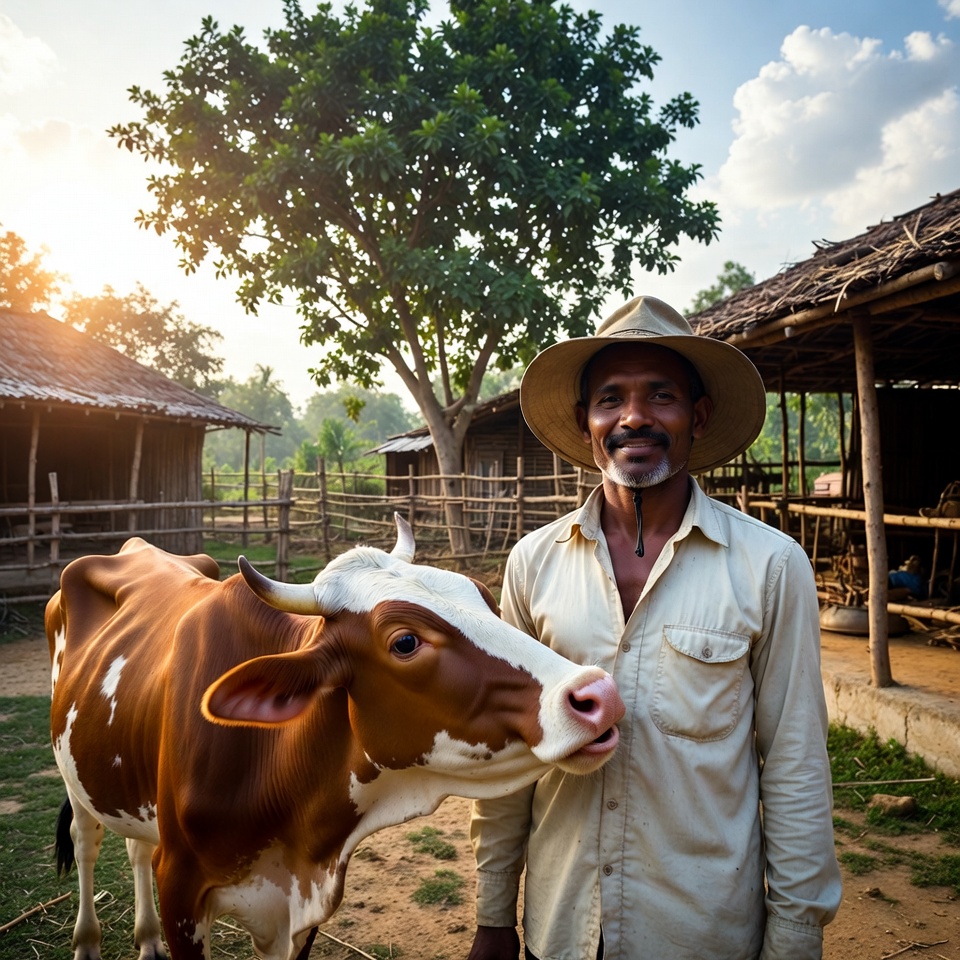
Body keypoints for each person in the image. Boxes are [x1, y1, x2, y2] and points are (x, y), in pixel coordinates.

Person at [467, 296, 842, 960]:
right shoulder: (532, 565)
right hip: (562, 925)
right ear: (587, 422)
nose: (633, 416)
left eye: (660, 395)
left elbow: (794, 763)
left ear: (697, 416)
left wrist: (795, 937)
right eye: (610, 398)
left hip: (702, 931)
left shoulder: (769, 566)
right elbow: (510, 755)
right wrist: (495, 912)